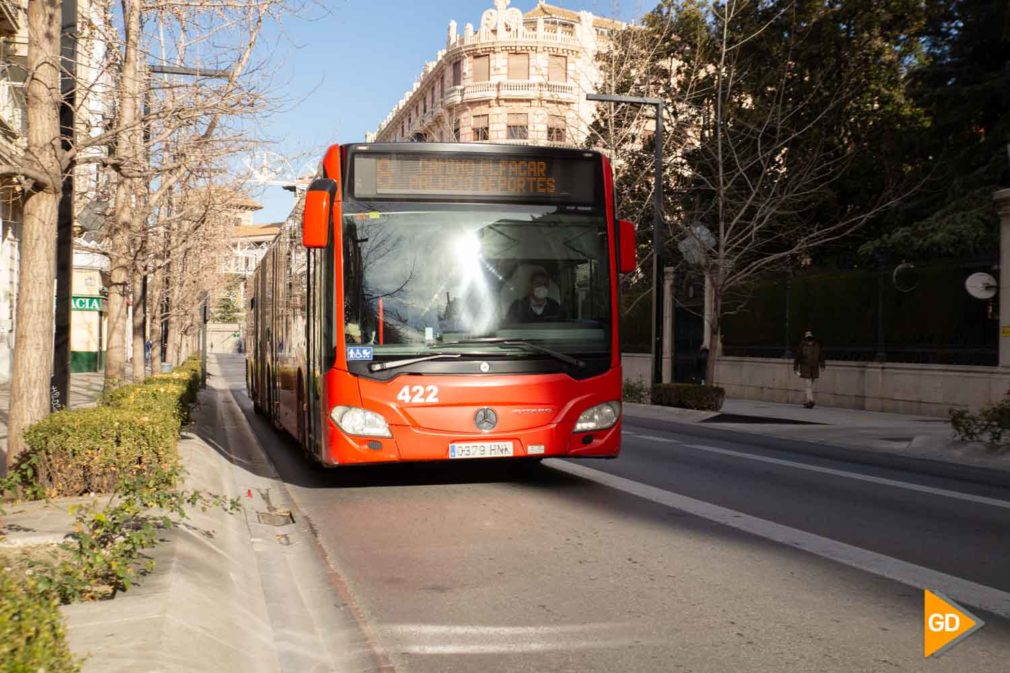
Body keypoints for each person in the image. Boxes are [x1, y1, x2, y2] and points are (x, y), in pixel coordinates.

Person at [793, 330, 825, 408]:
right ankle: (811, 400)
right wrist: (795, 367)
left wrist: (822, 365)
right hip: (805, 367)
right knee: (808, 385)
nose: (809, 340)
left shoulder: (817, 346)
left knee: (810, 385)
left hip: (814, 368)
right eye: (808, 339)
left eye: (810, 338)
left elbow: (821, 356)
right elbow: (797, 357)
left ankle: (808, 401)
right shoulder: (802, 346)